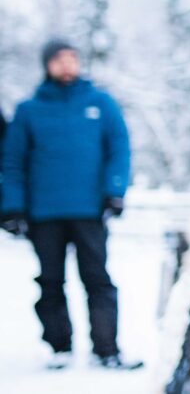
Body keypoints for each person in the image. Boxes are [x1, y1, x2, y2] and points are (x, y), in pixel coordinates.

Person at [0, 39, 142, 371]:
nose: (67, 65)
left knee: (98, 279)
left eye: (72, 59)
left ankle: (107, 348)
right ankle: (59, 346)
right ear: (47, 65)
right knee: (50, 281)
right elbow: (12, 162)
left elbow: (119, 148)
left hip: (89, 211)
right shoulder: (29, 111)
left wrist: (115, 191)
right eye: (59, 60)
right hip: (43, 213)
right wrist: (13, 208)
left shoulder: (100, 104)